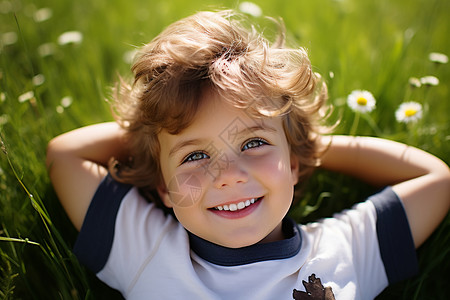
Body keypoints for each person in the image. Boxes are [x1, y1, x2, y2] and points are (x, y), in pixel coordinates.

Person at [46, 10, 450, 300]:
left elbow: (436, 180)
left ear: (292, 163)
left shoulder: (344, 250)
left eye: (254, 144)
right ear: (165, 190)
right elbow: (64, 155)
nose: (227, 174)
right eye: (193, 156)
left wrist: (306, 144)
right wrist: (152, 130)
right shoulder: (147, 249)